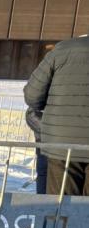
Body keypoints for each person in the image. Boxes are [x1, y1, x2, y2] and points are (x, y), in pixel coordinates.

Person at [24, 34, 89, 196]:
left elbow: (32, 96)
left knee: (61, 206)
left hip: (61, 143)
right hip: (63, 141)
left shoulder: (62, 50)